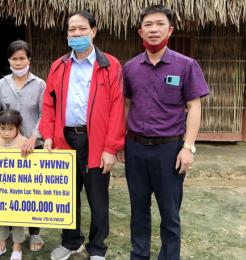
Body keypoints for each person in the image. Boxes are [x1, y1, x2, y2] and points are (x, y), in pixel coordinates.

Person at [121, 5, 210, 260]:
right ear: (140, 31)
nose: (153, 29)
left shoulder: (186, 65)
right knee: (139, 209)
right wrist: (123, 141)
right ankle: (139, 255)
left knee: (170, 212)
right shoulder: (130, 68)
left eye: (160, 24)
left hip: (169, 150)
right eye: (148, 25)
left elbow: (194, 106)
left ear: (170, 29)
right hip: (136, 148)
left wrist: (188, 147)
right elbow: (127, 105)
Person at [39, 10, 125, 260]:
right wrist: (48, 135)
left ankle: (97, 247)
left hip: (96, 141)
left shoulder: (109, 65)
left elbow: (117, 108)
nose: (76, 34)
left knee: (98, 198)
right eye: (71, 30)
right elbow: (49, 104)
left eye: (82, 29)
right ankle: (70, 241)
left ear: (93, 31)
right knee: (66, 194)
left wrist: (111, 147)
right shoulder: (59, 65)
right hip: (65, 139)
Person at [0, 40, 46, 251]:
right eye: (14, 58)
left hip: (31, 148)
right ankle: (7, 232)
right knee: (8, 190)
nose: (18, 62)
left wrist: (34, 137)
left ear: (29, 59)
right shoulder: (2, 84)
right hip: (7, 149)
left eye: (22, 58)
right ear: (9, 60)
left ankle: (35, 234)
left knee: (32, 192)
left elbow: (44, 113)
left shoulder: (40, 84)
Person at [0, 108, 27, 260]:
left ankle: (17, 247)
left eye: (11, 129)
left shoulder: (23, 142)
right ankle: (2, 245)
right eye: (3, 129)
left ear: (18, 128)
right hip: (0, 189)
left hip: (18, 190)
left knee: (17, 219)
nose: (6, 133)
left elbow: (35, 162)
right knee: (1, 218)